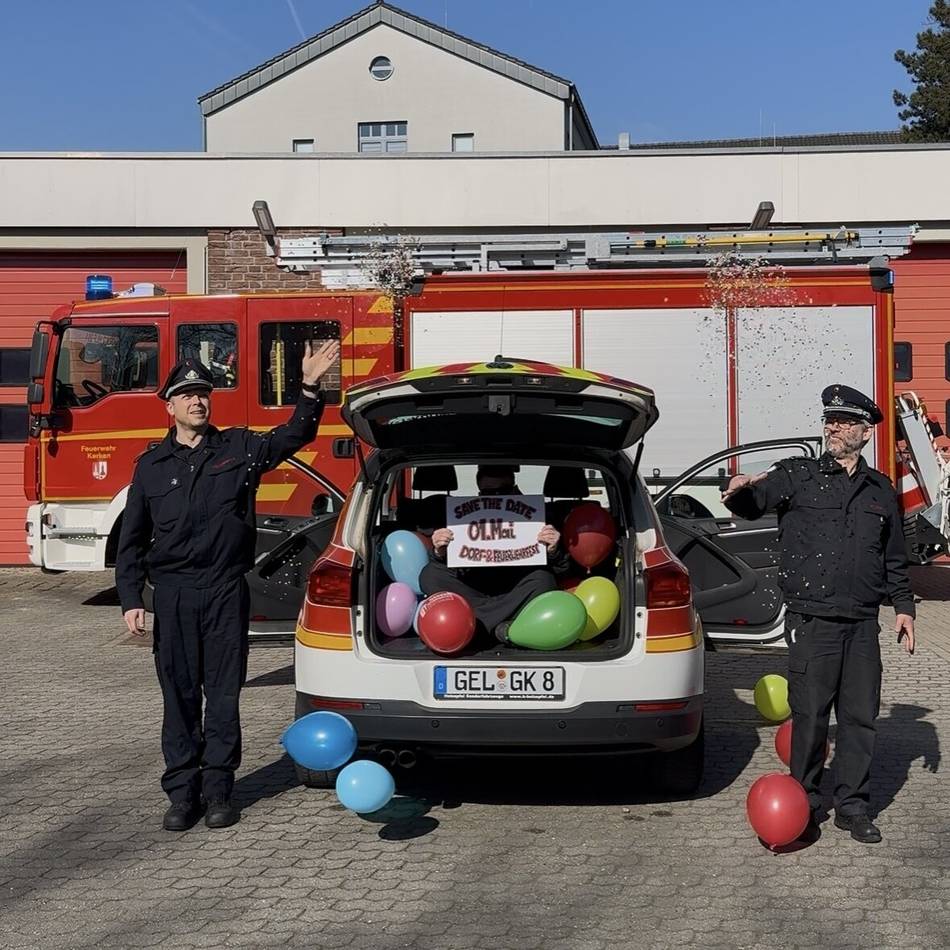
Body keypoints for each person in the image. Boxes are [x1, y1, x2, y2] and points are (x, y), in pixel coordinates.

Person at [116, 341, 340, 831]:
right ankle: (182, 792)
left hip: (222, 591)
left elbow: (294, 435)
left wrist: (308, 387)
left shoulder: (239, 448)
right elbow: (130, 540)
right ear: (170, 406)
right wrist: (131, 598)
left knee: (221, 694)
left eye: (203, 393)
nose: (198, 401)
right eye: (187, 395)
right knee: (177, 695)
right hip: (173, 594)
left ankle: (218, 789)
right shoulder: (150, 467)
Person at [722, 384, 915, 845]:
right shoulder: (798, 475)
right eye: (829, 420)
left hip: (863, 622)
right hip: (813, 620)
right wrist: (737, 491)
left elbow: (893, 557)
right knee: (810, 716)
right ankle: (804, 802)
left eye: (844, 422)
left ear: (865, 433)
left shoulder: (880, 490)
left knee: (860, 717)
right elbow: (756, 500)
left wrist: (904, 607)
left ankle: (852, 805)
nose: (833, 427)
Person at [419, 464, 570, 642]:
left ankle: (477, 628)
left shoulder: (540, 516)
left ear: (514, 489)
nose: (496, 497)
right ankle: (501, 628)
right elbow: (440, 566)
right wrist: (439, 552)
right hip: (473, 590)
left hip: (516, 590)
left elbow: (563, 571)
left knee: (544, 580)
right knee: (430, 575)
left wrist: (553, 550)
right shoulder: (460, 516)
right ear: (479, 493)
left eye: (503, 491)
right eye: (488, 493)